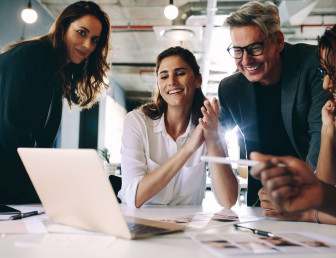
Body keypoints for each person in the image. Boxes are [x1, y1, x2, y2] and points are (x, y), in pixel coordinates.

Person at [218, 1, 327, 206]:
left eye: (255, 48)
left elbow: (320, 137)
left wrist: (304, 194)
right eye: (238, 50)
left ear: (278, 41)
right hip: (261, 200)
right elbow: (213, 139)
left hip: (311, 194)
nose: (246, 60)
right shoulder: (229, 88)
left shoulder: (312, 64)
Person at [0, 1, 110, 204]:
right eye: (81, 32)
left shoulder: (57, 72)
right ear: (63, 28)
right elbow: (12, 131)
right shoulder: (32, 56)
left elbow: (42, 143)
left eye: (95, 39)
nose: (87, 45)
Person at [118, 46, 239, 208]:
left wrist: (212, 138)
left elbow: (228, 200)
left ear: (198, 80)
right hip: (141, 223)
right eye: (164, 76)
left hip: (186, 227)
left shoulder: (209, 125)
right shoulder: (137, 122)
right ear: (159, 84)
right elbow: (134, 197)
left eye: (180, 73)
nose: (172, 82)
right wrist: (187, 149)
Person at [250, 25, 336, 225]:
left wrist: (306, 213)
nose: (326, 84)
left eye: (334, 72)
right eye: (324, 71)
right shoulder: (331, 118)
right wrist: (328, 130)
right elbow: (324, 194)